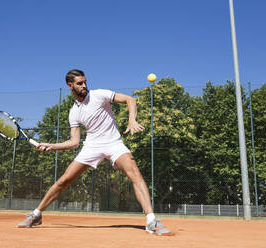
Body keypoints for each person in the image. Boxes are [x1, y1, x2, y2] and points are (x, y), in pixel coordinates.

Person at [18, 69, 171, 235]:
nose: (84, 86)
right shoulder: (74, 112)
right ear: (70, 86)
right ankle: (36, 214)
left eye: (85, 82)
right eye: (79, 83)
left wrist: (132, 120)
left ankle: (151, 220)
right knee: (64, 181)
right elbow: (74, 142)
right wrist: (52, 146)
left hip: (114, 143)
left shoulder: (99, 95)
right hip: (91, 146)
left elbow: (130, 99)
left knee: (134, 172)